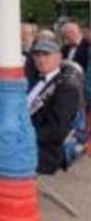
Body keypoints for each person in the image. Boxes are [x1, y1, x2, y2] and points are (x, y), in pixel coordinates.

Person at [28, 39, 84, 175]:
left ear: (59, 58)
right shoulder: (34, 79)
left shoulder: (66, 87)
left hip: (46, 149)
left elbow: (56, 130)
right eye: (37, 55)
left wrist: (23, 137)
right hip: (28, 135)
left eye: (46, 55)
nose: (41, 59)